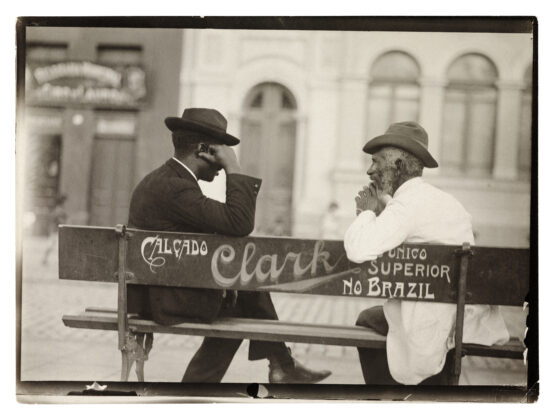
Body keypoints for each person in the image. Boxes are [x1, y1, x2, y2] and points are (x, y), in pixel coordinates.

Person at [127, 108, 331, 383]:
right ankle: (279, 365)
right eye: (222, 151)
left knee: (243, 284)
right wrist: (234, 169)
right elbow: (239, 223)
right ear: (204, 150)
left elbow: (228, 230)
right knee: (242, 299)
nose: (223, 161)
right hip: (163, 301)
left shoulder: (166, 181)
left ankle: (279, 365)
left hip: (153, 294)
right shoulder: (176, 188)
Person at [343, 121, 509, 385]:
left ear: (397, 166)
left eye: (376, 162)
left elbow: (357, 248)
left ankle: (387, 397)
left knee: (367, 320)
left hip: (428, 321)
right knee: (380, 318)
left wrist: (366, 211)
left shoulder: (407, 206)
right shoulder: (442, 201)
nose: (369, 170)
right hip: (463, 318)